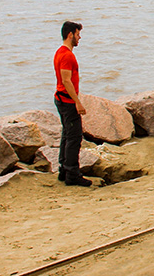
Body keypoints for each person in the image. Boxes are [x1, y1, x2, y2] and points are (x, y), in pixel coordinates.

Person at [54, 20, 91, 187]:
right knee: (74, 137)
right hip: (67, 101)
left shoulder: (59, 52)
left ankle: (63, 169)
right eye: (77, 34)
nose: (79, 37)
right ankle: (72, 173)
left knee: (67, 135)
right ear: (70, 35)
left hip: (62, 99)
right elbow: (66, 81)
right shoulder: (67, 55)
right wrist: (78, 102)